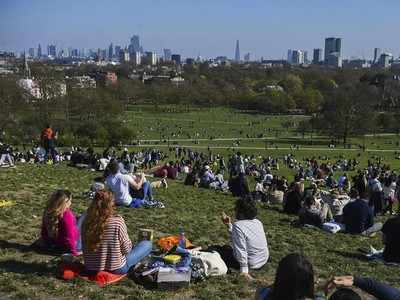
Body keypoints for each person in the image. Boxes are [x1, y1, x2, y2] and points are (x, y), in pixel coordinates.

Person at [82, 190, 152, 274]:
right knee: (147, 244)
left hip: (90, 268)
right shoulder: (117, 222)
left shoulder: (86, 221)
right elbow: (127, 250)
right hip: (116, 269)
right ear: (111, 204)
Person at [220, 196, 269, 279]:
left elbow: (241, 249)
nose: (235, 211)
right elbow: (243, 237)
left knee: (219, 250)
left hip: (251, 263)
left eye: (236, 209)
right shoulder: (258, 222)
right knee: (227, 248)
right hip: (263, 260)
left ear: (241, 212)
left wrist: (244, 270)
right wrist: (229, 225)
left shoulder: (238, 225)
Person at [40, 189, 80, 256]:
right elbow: (69, 237)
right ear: (65, 202)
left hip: (53, 243)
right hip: (66, 246)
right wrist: (74, 252)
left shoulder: (48, 212)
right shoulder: (67, 215)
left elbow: (44, 231)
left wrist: (47, 242)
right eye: (70, 201)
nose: (71, 203)